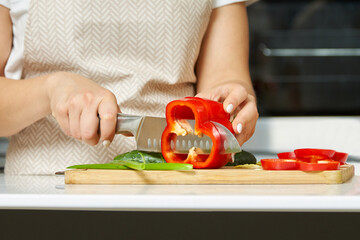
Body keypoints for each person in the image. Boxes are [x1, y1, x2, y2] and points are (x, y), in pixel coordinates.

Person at [0, 0, 258, 175]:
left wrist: (231, 102)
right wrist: (50, 89)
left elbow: (224, 77)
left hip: (179, 186)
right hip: (43, 191)